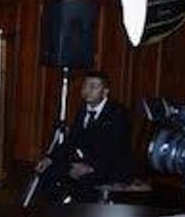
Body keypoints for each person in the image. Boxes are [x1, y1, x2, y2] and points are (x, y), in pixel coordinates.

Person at [33, 71, 134, 203]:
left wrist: (91, 167)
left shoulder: (118, 113)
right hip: (84, 162)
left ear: (105, 92)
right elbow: (71, 141)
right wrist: (50, 159)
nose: (87, 91)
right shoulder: (83, 110)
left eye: (93, 87)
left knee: (85, 184)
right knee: (49, 172)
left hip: (109, 166)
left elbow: (117, 148)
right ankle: (48, 214)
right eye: (85, 86)